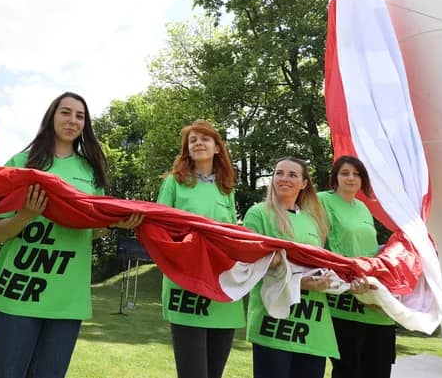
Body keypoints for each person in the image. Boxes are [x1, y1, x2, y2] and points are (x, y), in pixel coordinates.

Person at [0, 91, 143, 378]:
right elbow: (0, 234)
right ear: (51, 117)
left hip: (67, 298)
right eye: (65, 112)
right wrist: (27, 215)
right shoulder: (21, 161)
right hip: (19, 291)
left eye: (79, 116)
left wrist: (114, 225)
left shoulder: (90, 171)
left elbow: (90, 233)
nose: (72, 120)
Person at [157, 120, 244, 378]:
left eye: (205, 139)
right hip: (186, 283)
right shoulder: (173, 182)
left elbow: (230, 235)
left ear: (217, 148)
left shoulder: (226, 188)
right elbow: (160, 227)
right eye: (192, 140)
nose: (198, 143)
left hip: (220, 288)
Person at [243, 156, 338, 378]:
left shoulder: (314, 221)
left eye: (292, 174)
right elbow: (251, 264)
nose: (284, 178)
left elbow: (321, 263)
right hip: (275, 322)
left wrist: (325, 279)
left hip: (311, 322)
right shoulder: (258, 214)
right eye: (279, 173)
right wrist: (299, 281)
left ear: (304, 184)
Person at [318, 156, 396, 378]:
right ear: (335, 177)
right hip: (346, 300)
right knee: (348, 371)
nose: (351, 178)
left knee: (379, 369)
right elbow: (320, 245)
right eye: (345, 173)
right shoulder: (322, 200)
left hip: (374, 301)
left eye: (356, 174)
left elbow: (369, 249)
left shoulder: (362, 207)